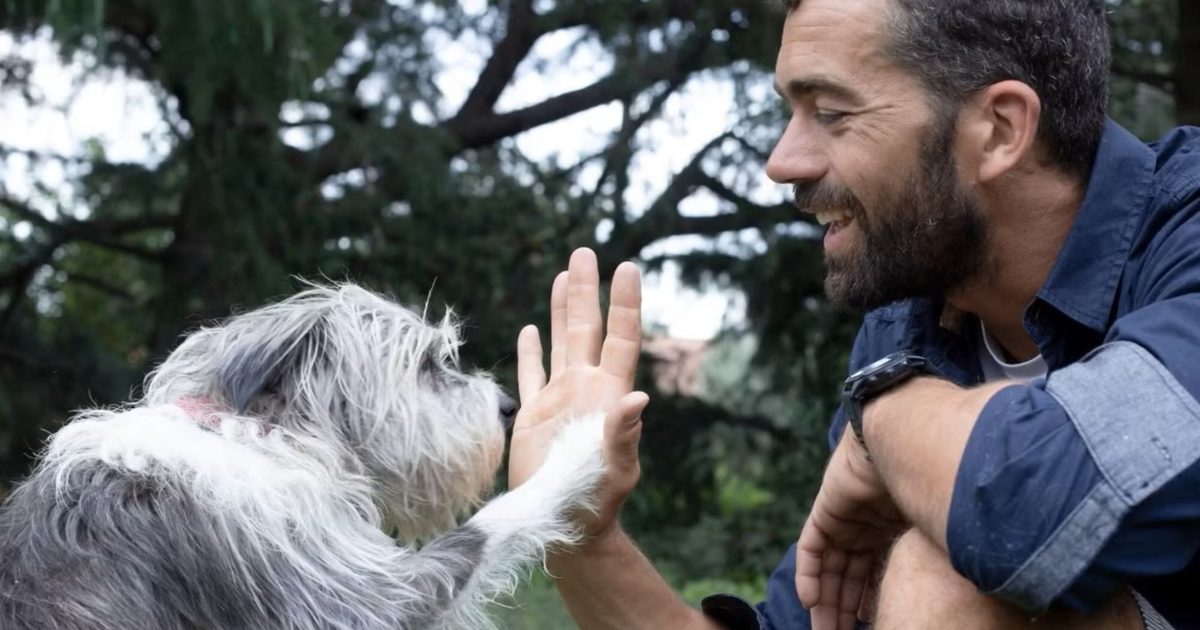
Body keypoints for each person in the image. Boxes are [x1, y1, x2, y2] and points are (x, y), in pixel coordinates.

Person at [508, 0, 1200, 627]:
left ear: (998, 129)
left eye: (831, 113)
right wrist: (578, 532)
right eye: (791, 112)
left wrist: (884, 419)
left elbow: (1041, 508)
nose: (783, 162)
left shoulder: (1184, 232)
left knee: (942, 574)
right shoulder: (910, 324)